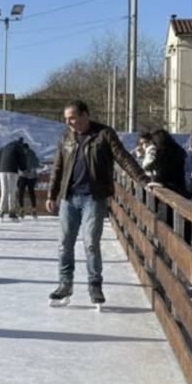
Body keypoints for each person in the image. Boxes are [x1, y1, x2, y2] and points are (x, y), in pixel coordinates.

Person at [46, 100, 154, 307]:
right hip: (69, 197)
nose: (68, 122)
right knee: (64, 245)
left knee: (91, 244)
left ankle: (95, 285)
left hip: (93, 198)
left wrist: (143, 180)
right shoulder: (67, 136)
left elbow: (122, 158)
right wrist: (52, 195)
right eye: (66, 118)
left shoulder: (104, 134)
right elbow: (58, 166)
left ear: (85, 115)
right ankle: (65, 284)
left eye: (72, 118)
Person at [0, 139, 26, 221]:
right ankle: (12, 212)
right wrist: (23, 168)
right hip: (12, 171)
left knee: (4, 192)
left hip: (2, 171)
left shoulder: (4, 148)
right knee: (12, 192)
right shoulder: (18, 148)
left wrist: (0, 166)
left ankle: (1, 212)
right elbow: (22, 161)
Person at [17, 143, 40, 219]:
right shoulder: (32, 154)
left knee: (22, 193)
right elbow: (37, 164)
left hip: (25, 176)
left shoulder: (26, 155)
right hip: (30, 176)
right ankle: (32, 209)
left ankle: (23, 209)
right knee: (29, 193)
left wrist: (25, 169)